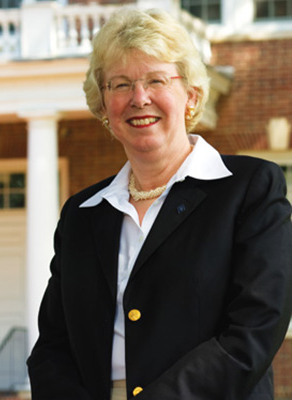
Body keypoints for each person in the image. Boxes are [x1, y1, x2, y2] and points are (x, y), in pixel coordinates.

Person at [27, 7, 292, 400]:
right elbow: (51, 347)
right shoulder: (81, 215)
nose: (139, 98)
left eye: (156, 80)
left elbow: (254, 328)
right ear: (103, 106)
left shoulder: (250, 190)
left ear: (191, 96)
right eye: (120, 85)